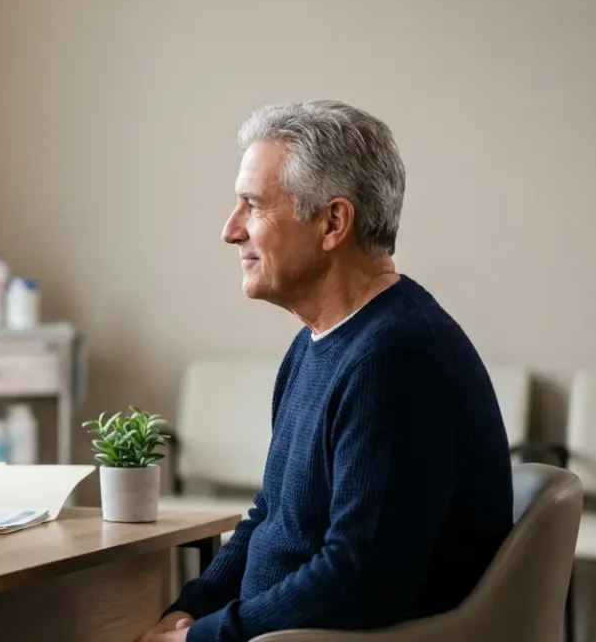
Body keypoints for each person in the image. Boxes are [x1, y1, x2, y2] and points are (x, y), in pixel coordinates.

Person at [136, 101, 513, 642]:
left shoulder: (396, 359)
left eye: (252, 205)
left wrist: (204, 637)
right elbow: (271, 516)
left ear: (332, 222)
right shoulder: (317, 344)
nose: (230, 229)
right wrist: (186, 610)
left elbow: (360, 578)